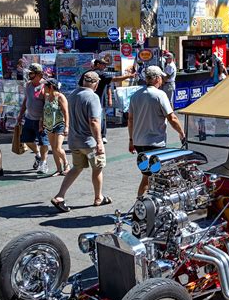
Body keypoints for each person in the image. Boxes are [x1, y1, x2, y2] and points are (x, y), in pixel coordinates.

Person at [51, 71, 110, 212]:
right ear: (96, 84)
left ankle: (60, 196)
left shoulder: (73, 95)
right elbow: (94, 121)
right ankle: (98, 197)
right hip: (89, 143)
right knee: (97, 168)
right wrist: (99, 142)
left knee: (77, 167)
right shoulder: (92, 97)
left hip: (74, 141)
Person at [128, 66, 185, 196]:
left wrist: (131, 140)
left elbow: (130, 120)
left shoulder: (135, 96)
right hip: (155, 143)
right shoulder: (160, 95)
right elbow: (172, 117)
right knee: (157, 176)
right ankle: (151, 206)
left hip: (139, 142)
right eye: (162, 78)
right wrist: (181, 133)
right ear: (157, 78)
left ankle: (141, 204)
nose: (163, 81)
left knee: (147, 175)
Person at [79, 57, 135, 144]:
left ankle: (92, 137)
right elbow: (115, 79)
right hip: (97, 102)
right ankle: (98, 138)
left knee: (88, 120)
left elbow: (80, 86)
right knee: (98, 120)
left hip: (85, 101)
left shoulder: (86, 74)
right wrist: (129, 76)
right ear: (97, 64)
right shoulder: (101, 74)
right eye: (104, 64)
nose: (105, 67)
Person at [17, 63, 50, 174]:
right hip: (29, 118)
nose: (29, 75)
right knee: (26, 140)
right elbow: (26, 100)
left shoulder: (45, 86)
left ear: (39, 74)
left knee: (43, 143)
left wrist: (43, 120)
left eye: (31, 73)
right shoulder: (28, 85)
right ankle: (38, 155)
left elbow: (47, 105)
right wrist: (20, 114)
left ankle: (43, 163)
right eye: (29, 73)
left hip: (41, 120)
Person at [42, 78, 70, 176]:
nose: (43, 88)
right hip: (49, 125)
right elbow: (45, 111)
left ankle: (66, 163)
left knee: (58, 148)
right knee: (53, 148)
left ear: (51, 87)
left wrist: (67, 126)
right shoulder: (47, 97)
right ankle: (59, 169)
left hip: (59, 124)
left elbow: (66, 112)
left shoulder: (60, 97)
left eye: (45, 86)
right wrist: (43, 123)